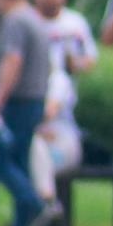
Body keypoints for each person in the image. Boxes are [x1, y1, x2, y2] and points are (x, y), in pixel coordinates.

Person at [0, 0, 56, 226]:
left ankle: (36, 205)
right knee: (20, 161)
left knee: (0, 160)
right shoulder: (35, 20)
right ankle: (22, 223)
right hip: (35, 99)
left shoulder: (14, 21)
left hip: (17, 101)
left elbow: (12, 60)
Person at [28, 68, 84, 210]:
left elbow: (50, 111)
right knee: (35, 146)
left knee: (36, 146)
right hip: (42, 147)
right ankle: (45, 203)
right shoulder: (29, 82)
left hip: (63, 145)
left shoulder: (58, 80)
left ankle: (46, 202)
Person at [33, 0, 98, 81]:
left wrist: (75, 64)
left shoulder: (76, 22)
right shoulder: (29, 23)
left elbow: (91, 59)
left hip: (67, 90)